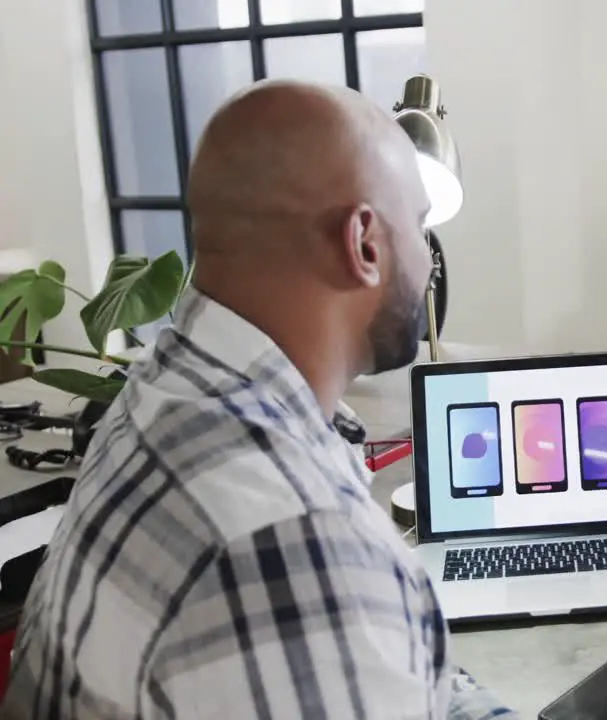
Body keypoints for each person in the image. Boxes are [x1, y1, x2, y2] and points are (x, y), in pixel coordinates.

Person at [1, 81, 515, 719]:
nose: (429, 261)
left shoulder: (160, 395)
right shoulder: (295, 541)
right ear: (364, 243)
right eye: (416, 226)